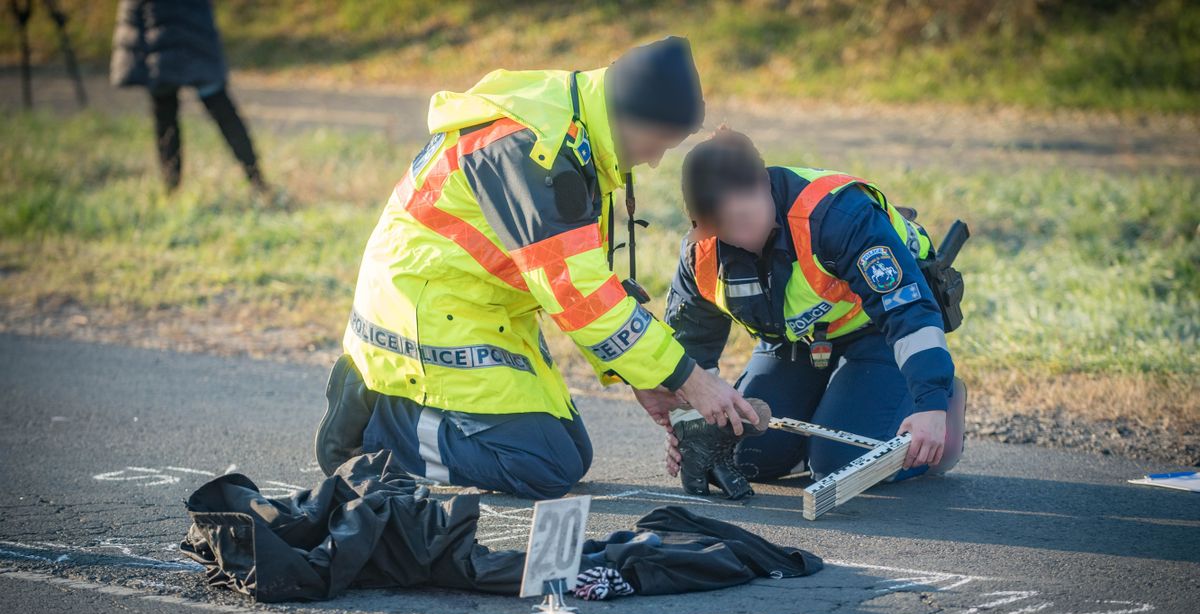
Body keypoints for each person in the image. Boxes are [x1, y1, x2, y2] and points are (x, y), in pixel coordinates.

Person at [315, 37, 759, 500]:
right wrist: (689, 378)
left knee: (570, 452)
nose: (653, 160)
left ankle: (398, 415)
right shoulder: (536, 150)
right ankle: (377, 430)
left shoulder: (577, 128)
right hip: (423, 310)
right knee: (544, 468)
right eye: (657, 144)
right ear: (629, 116)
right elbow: (579, 296)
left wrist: (643, 380)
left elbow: (586, 287)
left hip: (480, 307)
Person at [656, 128, 967, 498]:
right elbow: (691, 349)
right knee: (744, 453)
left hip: (878, 332)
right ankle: (828, 418)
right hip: (794, 342)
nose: (736, 238)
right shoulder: (702, 252)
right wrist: (689, 428)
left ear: (763, 183)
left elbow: (907, 309)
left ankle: (942, 416)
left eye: (741, 219)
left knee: (841, 466)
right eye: (721, 228)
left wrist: (929, 402)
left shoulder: (837, 216)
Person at [110, 0, 265, 193]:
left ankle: (256, 181)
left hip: (167, 21)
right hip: (172, 21)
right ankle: (257, 182)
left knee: (194, 107)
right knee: (175, 109)